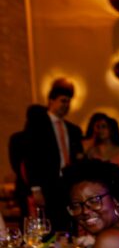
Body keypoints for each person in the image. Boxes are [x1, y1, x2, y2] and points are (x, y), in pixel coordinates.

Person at [23, 78, 85, 231]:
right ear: (51, 100)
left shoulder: (72, 129)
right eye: (63, 101)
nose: (66, 105)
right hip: (47, 184)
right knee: (48, 226)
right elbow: (31, 156)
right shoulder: (38, 123)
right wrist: (36, 188)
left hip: (67, 184)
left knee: (69, 225)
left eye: (69, 102)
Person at [85, 113, 119, 180]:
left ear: (112, 129)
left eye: (104, 126)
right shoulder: (91, 152)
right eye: (98, 127)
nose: (100, 130)